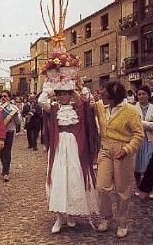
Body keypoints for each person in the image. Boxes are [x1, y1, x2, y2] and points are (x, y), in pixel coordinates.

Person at [39, 82, 99, 234]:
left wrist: (79, 85)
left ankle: (70, 214)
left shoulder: (78, 108)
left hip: (74, 147)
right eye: (59, 94)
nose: (62, 96)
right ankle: (60, 217)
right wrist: (50, 87)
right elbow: (41, 101)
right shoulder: (53, 108)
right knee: (58, 178)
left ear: (71, 94)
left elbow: (90, 101)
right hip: (58, 148)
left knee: (73, 178)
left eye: (65, 93)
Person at [95, 81, 143, 238]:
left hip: (123, 151)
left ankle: (122, 223)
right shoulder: (101, 106)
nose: (101, 95)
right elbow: (84, 100)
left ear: (114, 97)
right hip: (105, 149)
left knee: (122, 190)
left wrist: (127, 150)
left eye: (105, 94)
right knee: (102, 187)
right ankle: (106, 217)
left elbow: (138, 135)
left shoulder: (130, 111)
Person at [133, 85, 153, 196]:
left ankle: (150, 188)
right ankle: (138, 186)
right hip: (137, 140)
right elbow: (132, 124)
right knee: (137, 164)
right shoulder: (133, 109)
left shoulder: (152, 108)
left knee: (149, 164)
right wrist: (148, 124)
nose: (141, 96)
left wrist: (142, 123)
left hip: (150, 140)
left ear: (148, 95)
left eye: (144, 94)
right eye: (139, 94)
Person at [0, 90, 22, 182]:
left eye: (5, 96)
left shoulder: (14, 108)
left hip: (9, 131)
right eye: (2, 96)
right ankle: (4, 167)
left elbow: (19, 122)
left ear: (9, 97)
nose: (3, 98)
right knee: (1, 152)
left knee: (7, 151)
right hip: (0, 132)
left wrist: (15, 116)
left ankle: (6, 172)